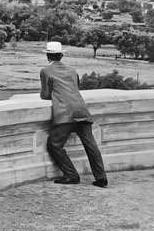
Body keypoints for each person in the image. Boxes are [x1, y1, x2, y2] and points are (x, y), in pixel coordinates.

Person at [40, 41, 108, 187]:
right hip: (81, 110)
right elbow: (75, 88)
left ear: (47, 55)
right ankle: (101, 178)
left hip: (65, 113)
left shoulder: (46, 71)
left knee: (54, 144)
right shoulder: (72, 70)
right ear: (62, 55)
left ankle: (71, 175)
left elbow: (45, 95)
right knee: (91, 145)